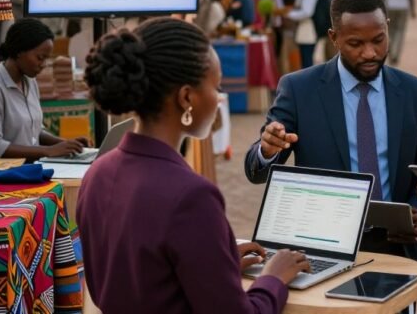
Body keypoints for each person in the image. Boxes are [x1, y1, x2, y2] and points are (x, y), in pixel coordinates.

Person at [78, 18, 309, 314]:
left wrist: (215, 264)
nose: (219, 98)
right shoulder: (190, 195)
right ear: (187, 97)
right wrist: (273, 278)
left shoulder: (98, 172)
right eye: (216, 86)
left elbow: (142, 278)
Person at [245, 0, 417, 261]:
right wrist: (267, 150)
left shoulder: (415, 92)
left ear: (388, 28)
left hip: (397, 248)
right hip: (321, 247)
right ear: (334, 38)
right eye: (356, 44)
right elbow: (257, 172)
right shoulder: (299, 89)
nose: (370, 53)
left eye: (378, 40)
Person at [0, 19, 89, 159]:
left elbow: (34, 130)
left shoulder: (30, 82)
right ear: (20, 51)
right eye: (40, 58)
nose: (44, 64)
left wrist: (65, 144)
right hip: (2, 174)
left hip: (29, 167)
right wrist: (48, 151)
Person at [285, 0, 322, 69]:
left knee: (307, 63)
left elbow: (307, 12)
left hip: (308, 30)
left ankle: (309, 85)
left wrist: (289, 15)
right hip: (305, 30)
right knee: (305, 61)